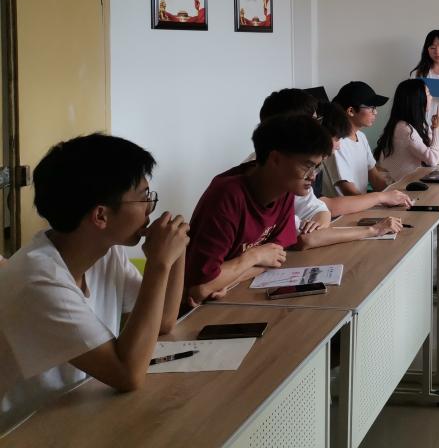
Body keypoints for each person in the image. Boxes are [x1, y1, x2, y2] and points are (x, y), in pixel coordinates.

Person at [0, 134, 189, 435]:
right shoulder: (39, 280)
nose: (150, 208)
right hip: (24, 431)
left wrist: (176, 253)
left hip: (80, 409)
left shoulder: (104, 251)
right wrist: (158, 263)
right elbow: (128, 374)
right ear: (100, 215)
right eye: (144, 197)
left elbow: (164, 320)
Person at [184, 113, 333, 308]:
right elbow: (200, 288)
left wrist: (229, 277)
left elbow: (276, 257)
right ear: (275, 159)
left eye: (317, 167)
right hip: (191, 311)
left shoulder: (284, 190)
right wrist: (254, 256)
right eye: (307, 166)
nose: (313, 176)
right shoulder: (228, 195)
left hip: (230, 295)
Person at [293, 104, 403, 247]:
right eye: (336, 139)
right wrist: (374, 225)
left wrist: (387, 196)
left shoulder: (360, 137)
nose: (339, 145)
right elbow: (308, 236)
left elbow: (321, 209)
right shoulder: (292, 176)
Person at [375, 79, 439, 182]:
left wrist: (435, 128)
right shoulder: (403, 128)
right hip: (397, 186)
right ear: (417, 99)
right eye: (428, 94)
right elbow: (432, 160)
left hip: (412, 182)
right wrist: (438, 128)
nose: (431, 97)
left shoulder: (418, 124)